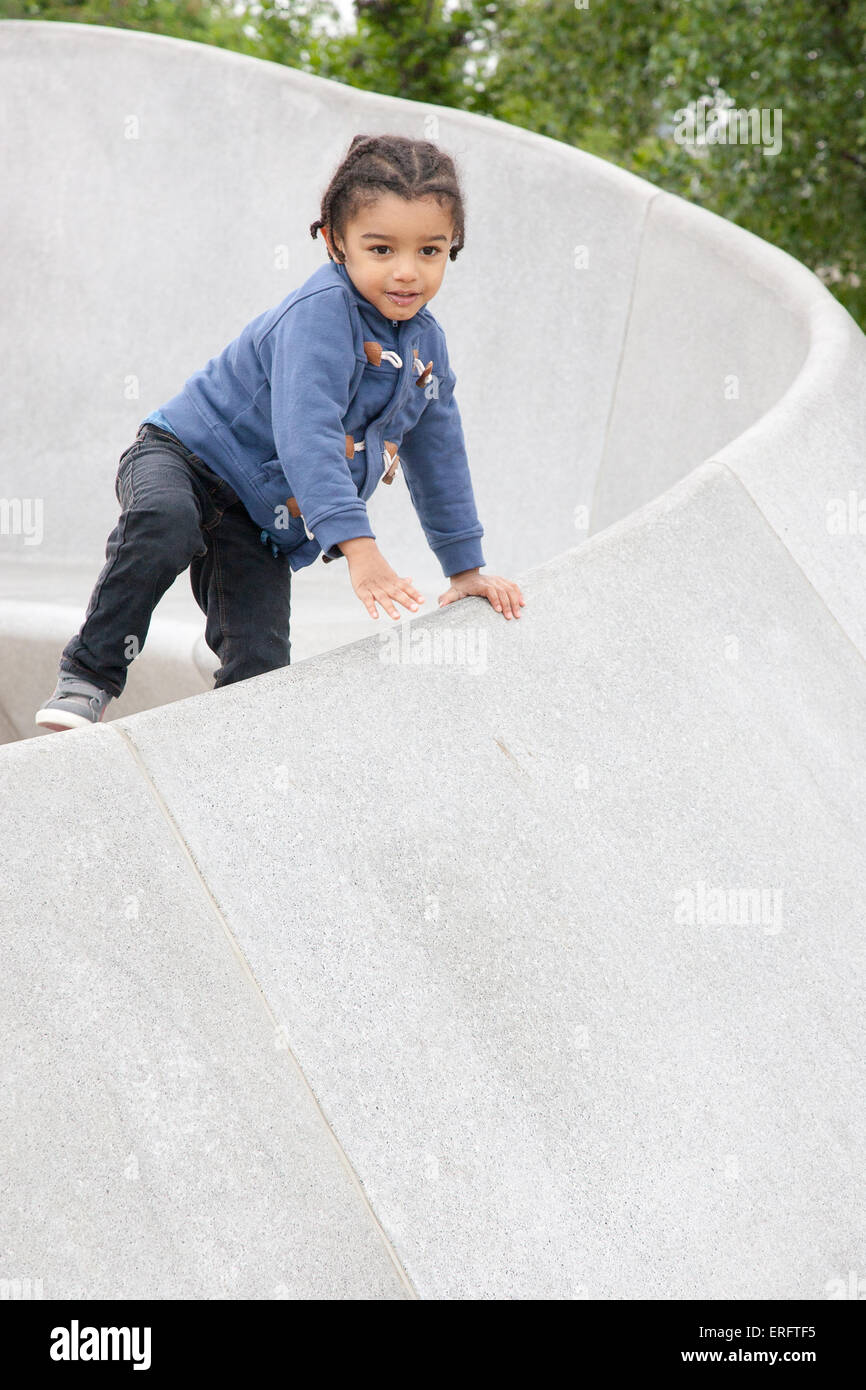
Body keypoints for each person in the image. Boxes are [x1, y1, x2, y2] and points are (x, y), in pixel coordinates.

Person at [35, 133, 525, 733]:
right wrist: (357, 546)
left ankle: (231, 760)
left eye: (430, 250)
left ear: (454, 248)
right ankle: (89, 675)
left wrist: (465, 569)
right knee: (166, 524)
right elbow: (307, 435)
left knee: (263, 669)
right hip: (183, 457)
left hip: (260, 513)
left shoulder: (428, 348)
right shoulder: (321, 313)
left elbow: (439, 453)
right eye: (381, 249)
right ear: (334, 242)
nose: (407, 272)